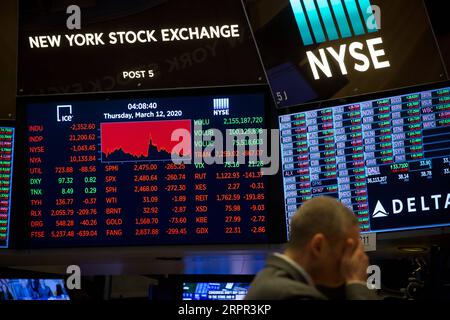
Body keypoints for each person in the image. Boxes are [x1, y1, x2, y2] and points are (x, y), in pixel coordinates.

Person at [246, 196, 378, 300]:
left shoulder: (270, 280)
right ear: (318, 246)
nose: (350, 262)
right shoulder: (294, 295)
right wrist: (357, 283)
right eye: (347, 250)